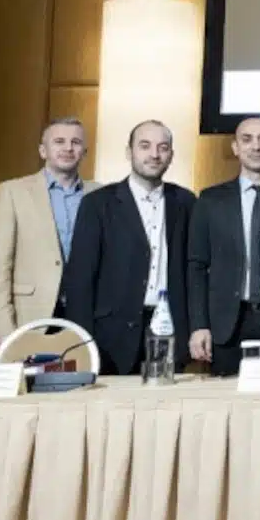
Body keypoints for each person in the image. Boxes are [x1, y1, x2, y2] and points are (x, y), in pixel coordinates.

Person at [63, 120, 195, 375]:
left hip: (170, 331)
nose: (154, 154)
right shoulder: (97, 204)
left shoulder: (186, 202)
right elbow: (80, 279)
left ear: (171, 155)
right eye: (145, 146)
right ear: (129, 152)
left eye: (163, 147)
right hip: (110, 338)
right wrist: (82, 342)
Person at [186, 116, 260, 375]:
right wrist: (199, 325)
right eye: (247, 140)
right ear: (235, 148)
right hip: (226, 326)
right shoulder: (210, 200)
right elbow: (196, 267)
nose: (256, 147)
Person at [0, 117, 99, 349]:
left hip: (88, 316)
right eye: (59, 141)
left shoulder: (101, 194)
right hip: (31, 316)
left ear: (84, 152)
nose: (68, 148)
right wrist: (2, 329)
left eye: (76, 142)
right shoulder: (13, 192)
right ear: (42, 150)